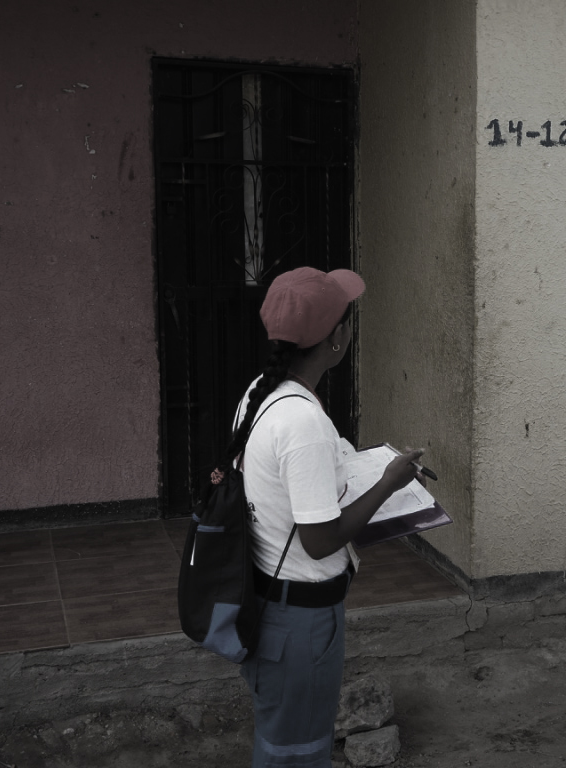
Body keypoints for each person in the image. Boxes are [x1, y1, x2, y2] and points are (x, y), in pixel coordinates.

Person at [226, 266, 423, 767]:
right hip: (300, 624)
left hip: (270, 602)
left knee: (280, 744)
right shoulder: (303, 422)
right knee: (298, 754)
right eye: (348, 320)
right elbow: (319, 540)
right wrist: (388, 484)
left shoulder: (261, 393)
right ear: (336, 338)